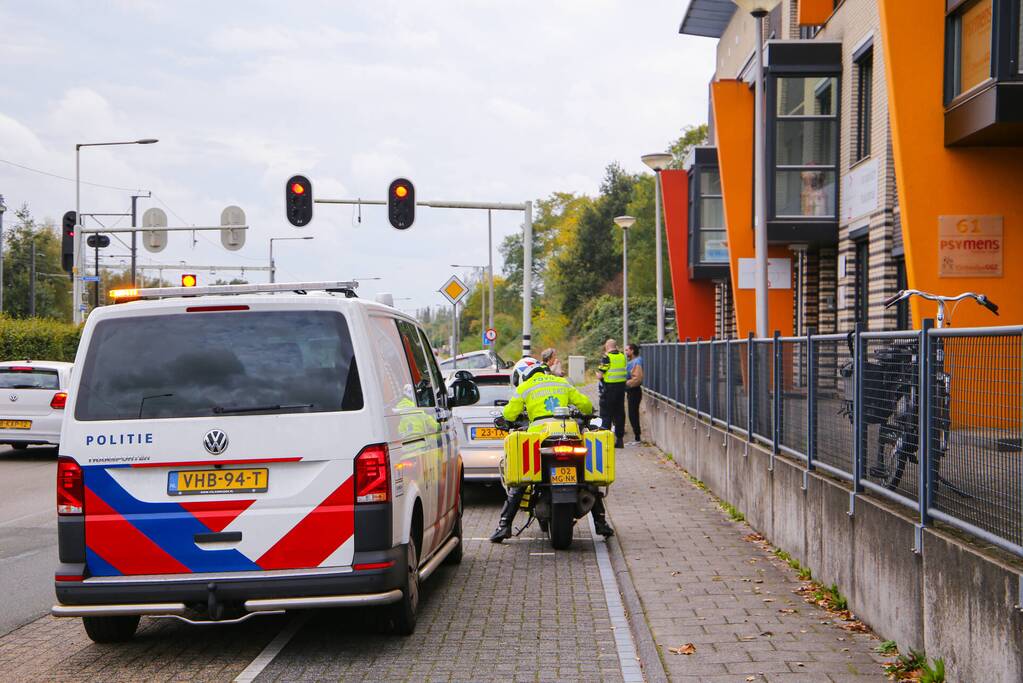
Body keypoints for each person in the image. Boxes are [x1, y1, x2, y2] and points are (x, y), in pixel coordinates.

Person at [490, 356, 615, 542]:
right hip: (568, 433)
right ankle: (601, 522)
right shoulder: (561, 382)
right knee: (586, 477)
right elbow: (586, 405)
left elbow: (509, 413)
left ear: (523, 375)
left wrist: (507, 420)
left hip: (540, 438)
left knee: (522, 481)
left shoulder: (526, 387)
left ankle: (504, 525)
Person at [596, 338, 628, 448]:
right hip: (621, 389)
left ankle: (606, 441)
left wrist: (597, 375)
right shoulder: (623, 356)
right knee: (619, 414)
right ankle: (619, 440)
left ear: (607, 346)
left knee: (606, 415)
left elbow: (600, 375)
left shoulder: (607, 357)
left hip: (609, 390)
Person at [625, 343, 644, 445]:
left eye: (627, 350)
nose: (626, 352)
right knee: (632, 414)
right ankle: (637, 437)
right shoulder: (632, 362)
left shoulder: (637, 362)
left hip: (634, 390)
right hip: (632, 390)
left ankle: (637, 438)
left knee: (633, 414)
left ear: (632, 351)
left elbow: (637, 379)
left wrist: (625, 383)